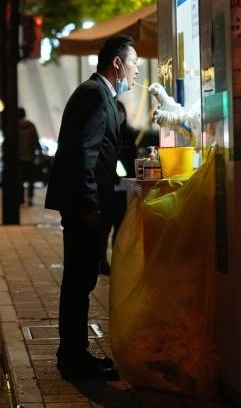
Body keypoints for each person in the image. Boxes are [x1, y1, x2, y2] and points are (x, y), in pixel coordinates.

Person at [45, 34, 139, 381]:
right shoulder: (97, 96)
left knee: (80, 280)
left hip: (87, 203)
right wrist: (89, 206)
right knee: (79, 280)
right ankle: (73, 356)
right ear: (117, 64)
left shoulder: (96, 94)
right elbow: (84, 155)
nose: (136, 74)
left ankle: (73, 353)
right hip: (86, 206)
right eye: (133, 65)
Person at [98, 100, 135, 276]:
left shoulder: (129, 134)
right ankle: (101, 261)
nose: (119, 114)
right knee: (104, 226)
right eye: (116, 110)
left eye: (121, 110)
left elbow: (132, 158)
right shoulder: (104, 133)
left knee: (120, 226)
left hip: (123, 187)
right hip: (108, 186)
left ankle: (118, 261)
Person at [17, 107, 40, 205]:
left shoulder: (14, 127)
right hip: (30, 157)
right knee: (31, 179)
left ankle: (21, 199)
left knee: (19, 180)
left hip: (19, 158)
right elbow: (36, 140)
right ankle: (30, 198)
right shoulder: (31, 126)